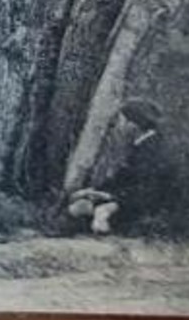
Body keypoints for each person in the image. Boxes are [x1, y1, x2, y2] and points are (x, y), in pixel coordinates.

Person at [66, 98, 181, 236]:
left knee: (86, 210)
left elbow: (147, 191)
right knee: (80, 205)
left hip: (149, 209)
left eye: (121, 122)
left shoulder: (151, 151)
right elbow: (123, 179)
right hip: (132, 201)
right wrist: (94, 191)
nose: (118, 127)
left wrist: (109, 197)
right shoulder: (143, 146)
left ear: (133, 124)